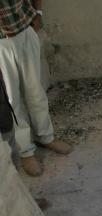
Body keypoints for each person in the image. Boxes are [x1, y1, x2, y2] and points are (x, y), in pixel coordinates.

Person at [0, 0, 72, 177]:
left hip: (25, 30)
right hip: (1, 43)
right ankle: (25, 152)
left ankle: (46, 137)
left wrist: (38, 14)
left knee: (35, 91)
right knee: (13, 101)